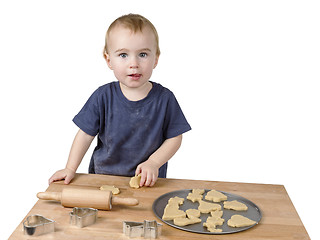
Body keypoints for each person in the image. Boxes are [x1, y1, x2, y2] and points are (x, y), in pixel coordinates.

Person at [49, 13, 191, 187]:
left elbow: (175, 138)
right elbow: (85, 135)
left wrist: (153, 162)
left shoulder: (165, 98)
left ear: (156, 59)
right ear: (109, 60)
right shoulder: (102, 97)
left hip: (147, 182)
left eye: (143, 54)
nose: (134, 63)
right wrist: (70, 168)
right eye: (123, 55)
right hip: (103, 179)